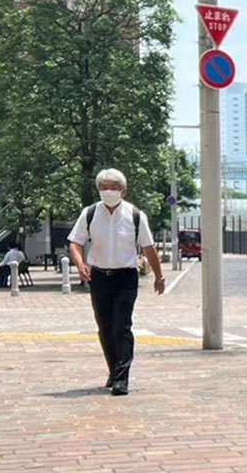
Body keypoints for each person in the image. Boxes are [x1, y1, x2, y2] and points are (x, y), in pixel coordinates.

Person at [67, 168, 165, 396]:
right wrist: (80, 264)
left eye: (113, 187)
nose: (108, 191)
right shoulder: (90, 213)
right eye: (104, 187)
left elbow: (149, 247)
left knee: (121, 326)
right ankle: (113, 369)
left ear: (124, 191)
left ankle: (122, 378)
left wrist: (159, 276)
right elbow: (75, 241)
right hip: (100, 277)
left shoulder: (135, 215)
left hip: (125, 277)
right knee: (105, 327)